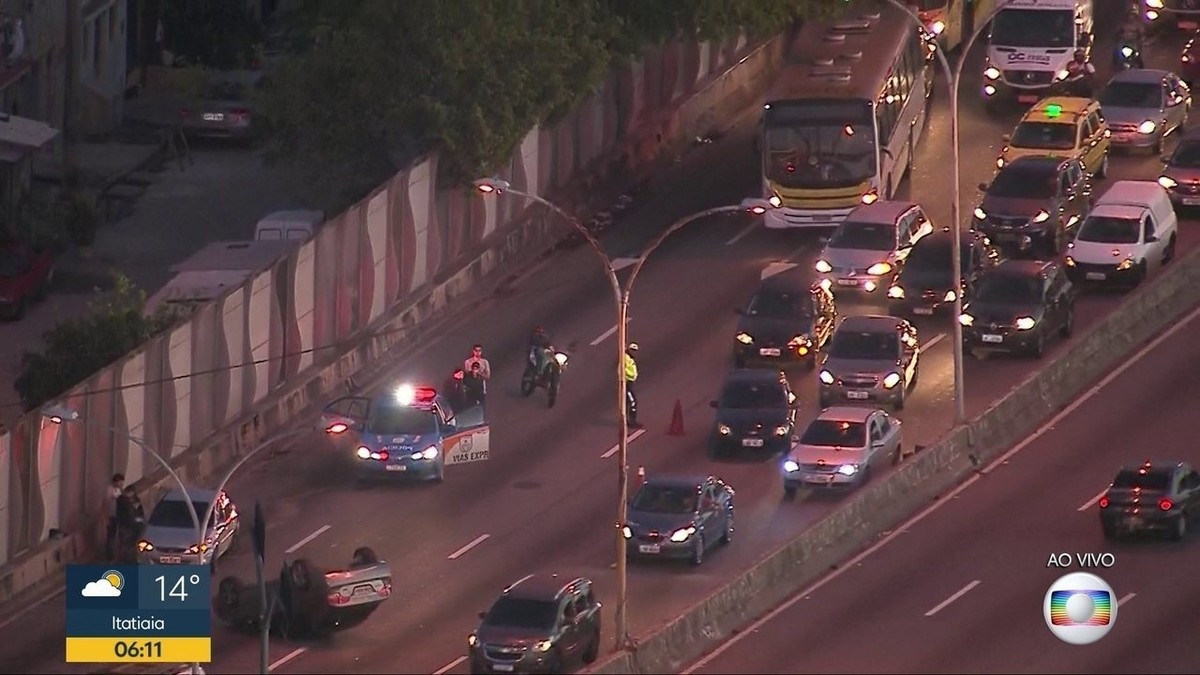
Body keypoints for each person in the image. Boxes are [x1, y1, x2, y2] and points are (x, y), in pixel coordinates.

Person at [105, 473, 125, 560]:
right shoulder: (112, 490)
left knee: (113, 535)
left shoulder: (112, 490)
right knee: (111, 536)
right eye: (120, 482)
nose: (122, 485)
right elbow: (117, 497)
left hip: (115, 515)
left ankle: (113, 554)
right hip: (112, 515)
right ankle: (110, 555)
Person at [623, 342, 641, 428]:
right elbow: (622, 369)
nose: (634, 352)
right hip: (626, 383)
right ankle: (632, 422)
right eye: (632, 350)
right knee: (632, 402)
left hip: (629, 382)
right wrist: (630, 375)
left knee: (626, 403)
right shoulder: (626, 358)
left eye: (635, 350)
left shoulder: (629, 358)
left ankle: (625, 420)